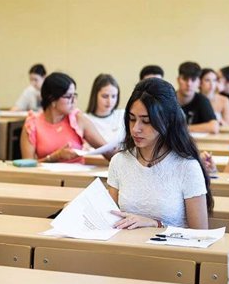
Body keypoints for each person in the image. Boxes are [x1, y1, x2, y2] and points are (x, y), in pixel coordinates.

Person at [108, 78, 212, 229]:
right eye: (131, 119)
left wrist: (155, 224)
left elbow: (200, 234)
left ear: (167, 121)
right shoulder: (119, 161)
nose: (136, 128)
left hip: (171, 251)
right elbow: (110, 218)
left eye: (146, 121)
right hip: (124, 249)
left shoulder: (187, 167)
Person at [21, 72, 109, 163]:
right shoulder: (32, 124)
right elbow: (27, 166)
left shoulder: (78, 119)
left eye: (74, 95)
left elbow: (108, 150)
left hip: (77, 175)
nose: (73, 101)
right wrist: (54, 157)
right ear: (52, 99)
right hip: (46, 176)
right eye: (68, 96)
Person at [175, 62, 218, 133]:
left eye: (193, 80)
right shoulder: (168, 99)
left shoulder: (202, 100)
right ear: (178, 80)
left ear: (199, 82)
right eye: (185, 79)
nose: (189, 84)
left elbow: (214, 127)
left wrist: (182, 128)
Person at [86, 74, 125, 144]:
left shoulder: (122, 115)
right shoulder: (85, 119)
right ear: (95, 95)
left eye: (113, 96)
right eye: (105, 96)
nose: (109, 101)